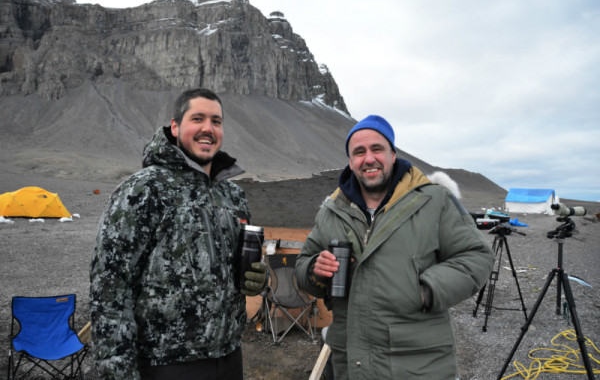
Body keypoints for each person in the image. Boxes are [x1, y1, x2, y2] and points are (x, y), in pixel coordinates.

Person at [296, 115, 494, 379]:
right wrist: (314, 271)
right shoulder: (332, 210)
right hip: (350, 363)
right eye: (359, 152)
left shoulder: (433, 201)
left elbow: (477, 256)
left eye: (377, 149)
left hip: (418, 365)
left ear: (392, 154)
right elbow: (302, 266)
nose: (368, 159)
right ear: (351, 162)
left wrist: (425, 291)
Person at [90, 88, 267, 380]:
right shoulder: (143, 190)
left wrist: (260, 279)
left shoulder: (233, 196)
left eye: (216, 121)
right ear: (175, 126)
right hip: (165, 364)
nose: (207, 129)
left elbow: (239, 271)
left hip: (229, 357)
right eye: (197, 118)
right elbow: (109, 290)